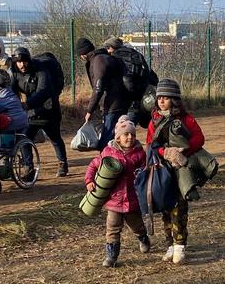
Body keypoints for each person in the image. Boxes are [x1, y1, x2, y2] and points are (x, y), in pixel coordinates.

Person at [146, 79, 206, 265]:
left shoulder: (186, 119)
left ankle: (180, 245)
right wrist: (165, 152)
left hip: (181, 171)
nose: (162, 101)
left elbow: (199, 138)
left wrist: (183, 151)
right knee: (165, 208)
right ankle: (169, 245)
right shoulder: (154, 121)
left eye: (166, 97)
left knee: (179, 208)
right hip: (162, 171)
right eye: (159, 98)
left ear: (175, 99)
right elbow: (150, 145)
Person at [84, 115, 149, 268]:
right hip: (113, 200)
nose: (130, 137)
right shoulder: (108, 152)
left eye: (132, 134)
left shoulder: (140, 154)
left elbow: (146, 172)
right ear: (118, 138)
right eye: (126, 134)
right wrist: (89, 181)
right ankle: (111, 256)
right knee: (112, 229)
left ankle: (143, 237)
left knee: (137, 226)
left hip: (132, 200)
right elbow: (93, 166)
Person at [10, 47, 69, 176]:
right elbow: (12, 91)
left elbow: (43, 90)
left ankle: (62, 164)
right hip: (31, 112)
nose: (22, 65)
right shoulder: (14, 73)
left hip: (48, 109)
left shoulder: (41, 70)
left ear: (29, 60)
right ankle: (28, 167)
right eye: (19, 62)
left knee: (55, 137)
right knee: (24, 138)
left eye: (24, 61)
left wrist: (27, 104)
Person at [78, 37, 130, 151]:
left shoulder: (98, 61)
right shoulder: (104, 57)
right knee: (117, 134)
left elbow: (98, 87)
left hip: (112, 104)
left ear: (83, 54)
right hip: (121, 100)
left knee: (107, 136)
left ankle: (104, 162)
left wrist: (90, 110)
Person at [103, 36, 157, 127]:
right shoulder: (136, 54)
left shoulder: (114, 58)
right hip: (139, 100)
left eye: (107, 48)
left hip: (121, 101)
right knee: (130, 130)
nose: (107, 51)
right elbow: (149, 74)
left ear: (112, 47)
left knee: (120, 132)